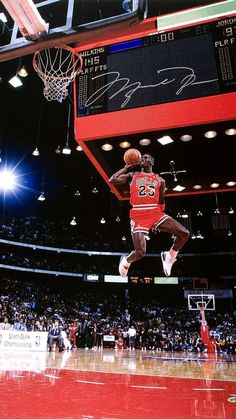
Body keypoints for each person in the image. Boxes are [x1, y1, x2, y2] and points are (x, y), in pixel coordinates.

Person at [109, 153, 189, 277]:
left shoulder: (160, 180)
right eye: (142, 158)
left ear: (152, 161)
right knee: (140, 252)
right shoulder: (133, 175)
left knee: (184, 234)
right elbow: (112, 180)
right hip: (138, 213)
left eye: (146, 157)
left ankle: (170, 256)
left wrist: (159, 220)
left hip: (155, 212)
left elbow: (161, 200)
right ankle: (126, 261)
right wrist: (127, 167)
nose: (142, 159)